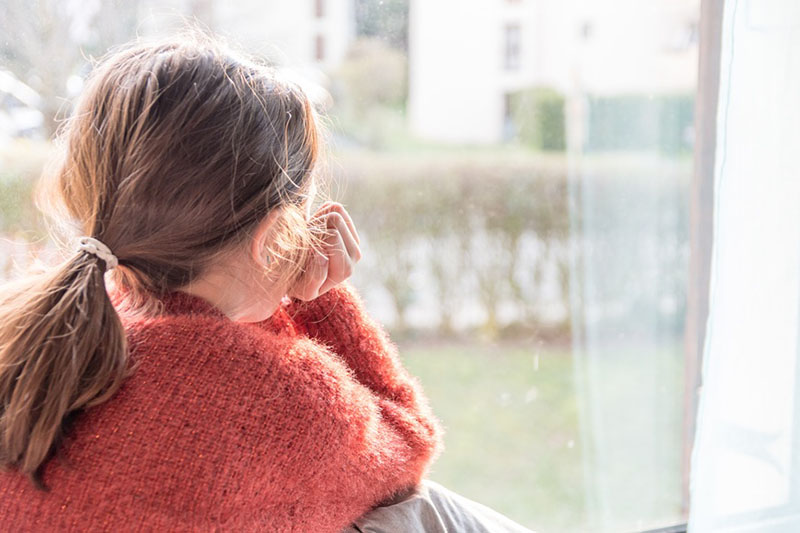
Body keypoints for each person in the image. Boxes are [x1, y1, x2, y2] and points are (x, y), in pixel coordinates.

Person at [0, 30, 534, 532]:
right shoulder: (275, 398)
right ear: (274, 234)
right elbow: (405, 448)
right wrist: (323, 300)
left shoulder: (45, 331)